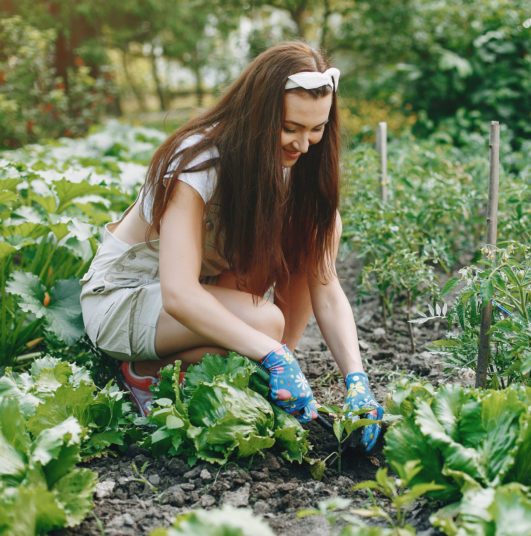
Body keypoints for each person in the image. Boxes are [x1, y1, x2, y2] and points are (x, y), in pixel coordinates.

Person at [79, 42, 383, 451]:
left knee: (311, 231)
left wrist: (357, 380)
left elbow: (325, 289)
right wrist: (272, 353)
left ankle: (269, 387)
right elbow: (179, 295)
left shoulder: (295, 170)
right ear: (258, 116)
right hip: (126, 299)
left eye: (317, 129)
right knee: (265, 323)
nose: (303, 145)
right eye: (290, 128)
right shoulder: (197, 162)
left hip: (198, 298)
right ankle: (142, 372)